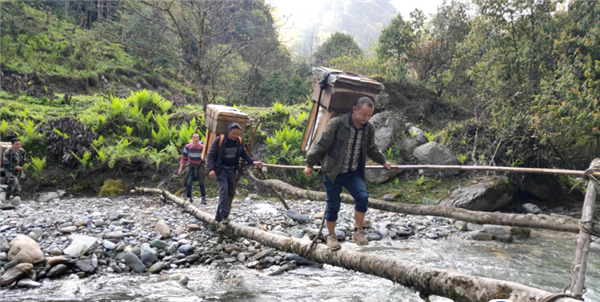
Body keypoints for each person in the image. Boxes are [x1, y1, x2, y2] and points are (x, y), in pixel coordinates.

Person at [304, 97, 392, 251]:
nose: (366, 118)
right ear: (354, 110)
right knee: (333, 206)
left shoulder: (368, 129)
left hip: (353, 172)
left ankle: (358, 232)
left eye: (369, 115)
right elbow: (321, 144)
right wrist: (310, 164)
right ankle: (331, 236)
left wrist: (383, 161)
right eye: (363, 114)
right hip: (333, 172)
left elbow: (372, 148)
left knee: (363, 197)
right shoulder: (337, 124)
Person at [206, 122, 262, 224]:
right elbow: (210, 155)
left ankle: (218, 215)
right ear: (228, 132)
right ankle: (224, 216)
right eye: (233, 133)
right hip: (221, 169)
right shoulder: (220, 140)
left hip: (232, 170)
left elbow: (244, 154)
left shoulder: (239, 141)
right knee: (223, 191)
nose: (235, 136)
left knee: (230, 192)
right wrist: (211, 169)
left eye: (237, 133)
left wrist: (253, 161)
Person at [178, 133, 207, 204]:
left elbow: (206, 157)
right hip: (191, 166)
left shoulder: (202, 147)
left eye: (197, 137)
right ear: (192, 138)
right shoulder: (187, 147)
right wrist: (180, 168)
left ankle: (203, 198)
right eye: (194, 137)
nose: (196, 139)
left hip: (200, 166)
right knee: (188, 182)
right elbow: (184, 158)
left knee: (201, 182)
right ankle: (189, 197)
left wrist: (205, 161)